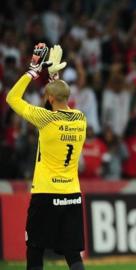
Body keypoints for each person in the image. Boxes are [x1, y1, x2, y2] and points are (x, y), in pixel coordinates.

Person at [6, 43, 87, 270]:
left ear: (49, 98)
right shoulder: (80, 118)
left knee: (35, 250)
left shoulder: (45, 119)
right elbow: (60, 101)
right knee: (73, 255)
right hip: (71, 194)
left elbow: (12, 98)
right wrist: (55, 77)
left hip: (45, 193)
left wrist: (33, 71)